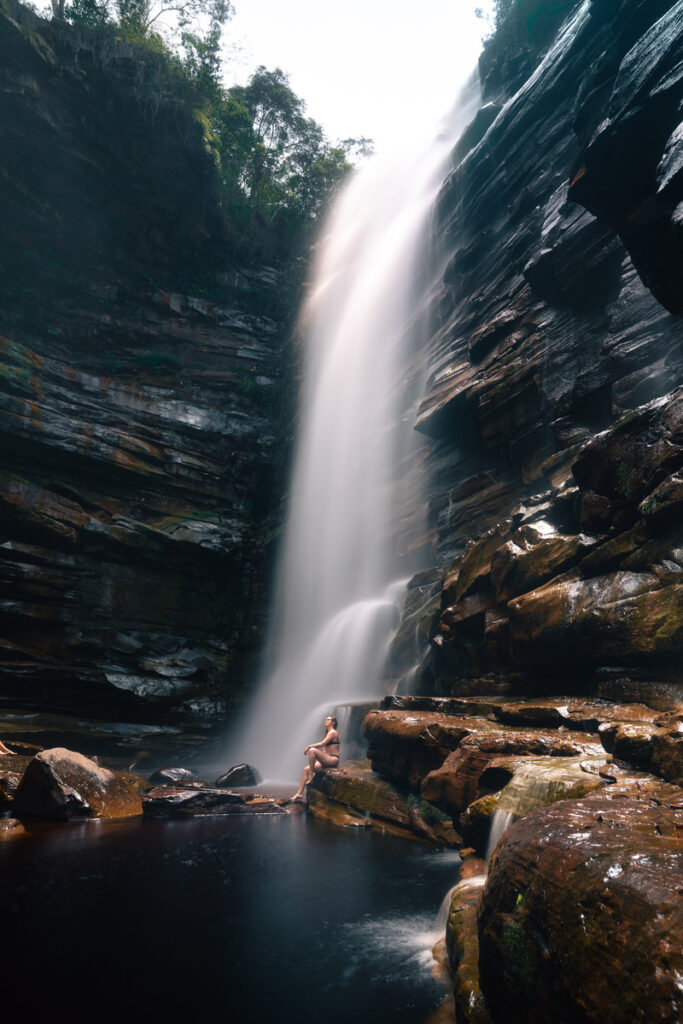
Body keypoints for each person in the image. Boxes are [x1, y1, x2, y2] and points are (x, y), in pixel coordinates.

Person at [290, 714, 340, 803]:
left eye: (328, 720)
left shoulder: (333, 732)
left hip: (333, 759)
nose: (326, 721)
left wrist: (309, 746)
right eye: (325, 719)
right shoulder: (328, 732)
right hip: (327, 759)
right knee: (306, 769)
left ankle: (311, 775)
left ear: (333, 722)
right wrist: (318, 759)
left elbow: (322, 744)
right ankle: (299, 793)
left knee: (312, 750)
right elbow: (326, 750)